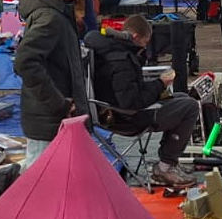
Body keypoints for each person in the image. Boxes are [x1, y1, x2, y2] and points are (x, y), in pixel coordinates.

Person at [85, 16, 199, 188]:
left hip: (115, 110)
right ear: (136, 37)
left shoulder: (110, 49)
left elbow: (130, 91)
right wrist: (160, 83)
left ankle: (169, 162)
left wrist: (157, 88)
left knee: (182, 98)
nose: (145, 47)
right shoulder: (121, 60)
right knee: (189, 107)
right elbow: (131, 102)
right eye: (145, 42)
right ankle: (164, 167)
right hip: (127, 117)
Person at [14, 0, 88, 167]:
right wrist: (59, 103)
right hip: (48, 120)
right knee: (40, 180)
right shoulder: (50, 17)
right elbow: (25, 61)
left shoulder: (57, 11)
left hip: (51, 116)